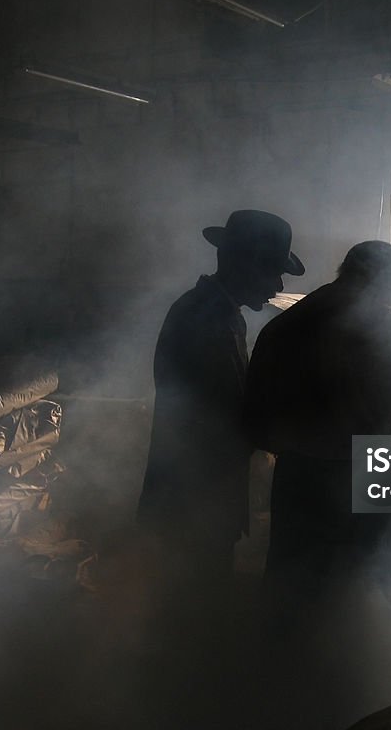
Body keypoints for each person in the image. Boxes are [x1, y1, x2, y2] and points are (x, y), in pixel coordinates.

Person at [244, 239, 391, 615]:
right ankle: (362, 668)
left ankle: (279, 670)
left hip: (300, 481)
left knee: (295, 596)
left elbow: (255, 424)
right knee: (370, 593)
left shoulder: (283, 328)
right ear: (388, 284)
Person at [136, 209, 304, 603]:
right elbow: (224, 415)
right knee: (194, 605)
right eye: (273, 272)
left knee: (193, 600)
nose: (277, 285)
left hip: (197, 494)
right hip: (193, 498)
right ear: (245, 264)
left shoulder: (215, 311)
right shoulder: (207, 319)